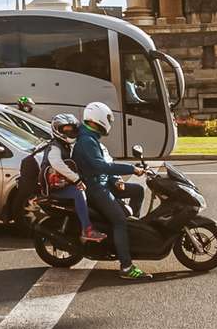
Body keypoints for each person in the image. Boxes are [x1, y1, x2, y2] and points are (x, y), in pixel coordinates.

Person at [73, 101, 148, 280]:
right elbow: (101, 166)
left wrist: (116, 179)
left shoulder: (90, 137)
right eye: (108, 119)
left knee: (137, 190)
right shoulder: (86, 141)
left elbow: (106, 164)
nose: (109, 123)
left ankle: (131, 231)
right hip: (95, 188)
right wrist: (131, 169)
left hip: (104, 183)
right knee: (119, 221)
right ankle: (126, 267)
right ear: (98, 118)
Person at [37, 113, 101, 241]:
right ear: (57, 130)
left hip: (63, 184)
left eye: (72, 129)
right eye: (66, 129)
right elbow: (57, 164)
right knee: (79, 192)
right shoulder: (55, 147)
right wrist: (77, 179)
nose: (70, 132)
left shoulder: (66, 145)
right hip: (54, 188)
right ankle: (87, 229)